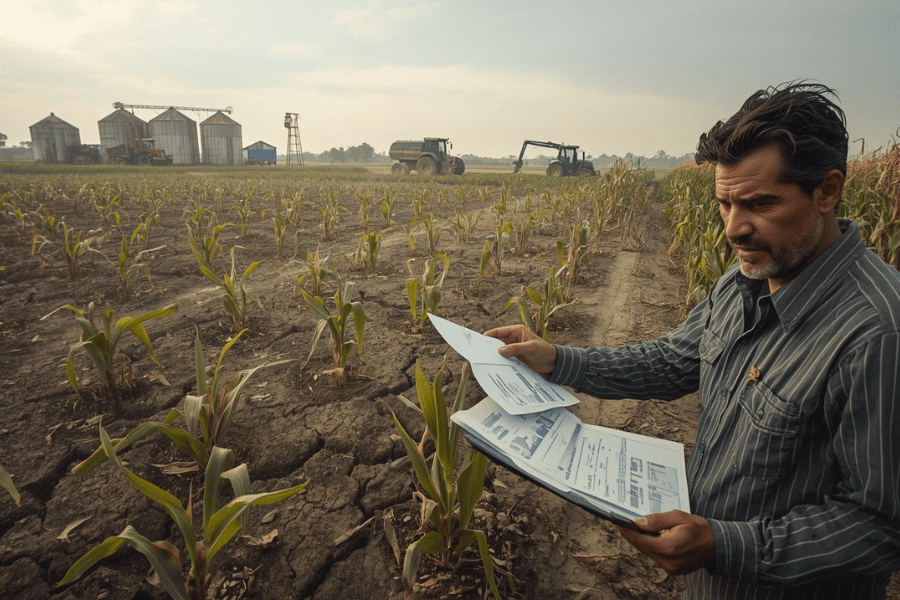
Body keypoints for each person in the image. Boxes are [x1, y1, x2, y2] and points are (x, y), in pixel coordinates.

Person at [486, 82, 900, 599]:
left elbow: (881, 524)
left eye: (759, 204)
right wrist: (558, 360)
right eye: (725, 204)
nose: (734, 228)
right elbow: (671, 360)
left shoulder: (876, 333)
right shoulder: (746, 278)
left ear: (827, 191)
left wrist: (727, 546)